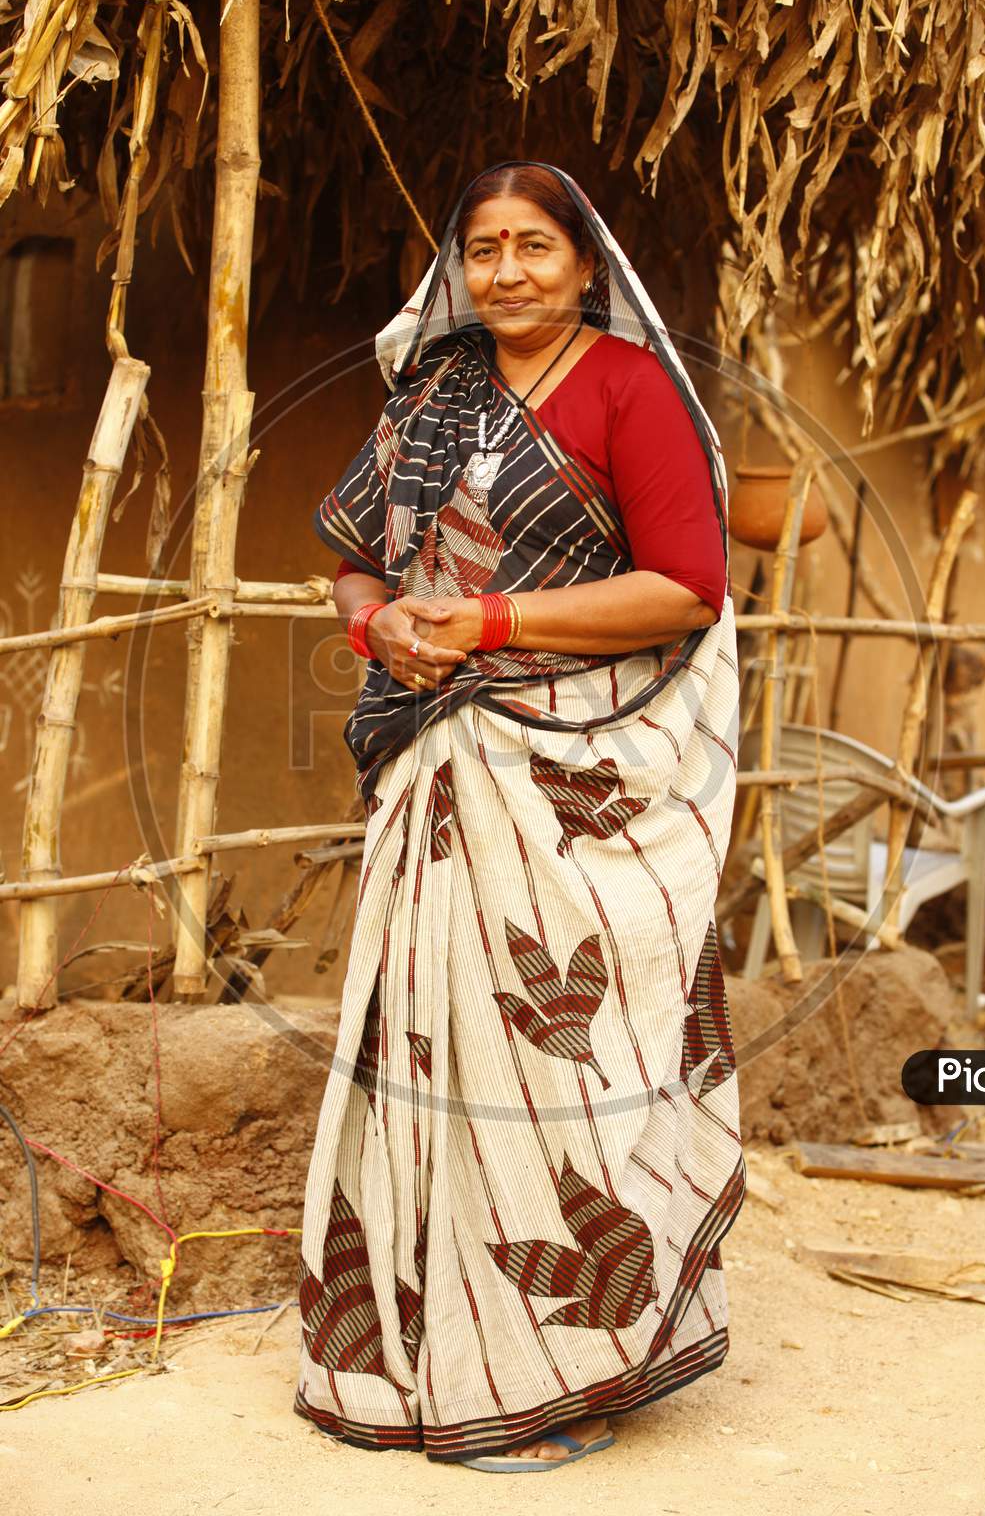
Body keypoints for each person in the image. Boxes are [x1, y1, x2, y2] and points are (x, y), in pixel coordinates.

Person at [294, 160, 744, 1472]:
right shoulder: (433, 394)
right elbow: (350, 560)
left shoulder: (628, 387)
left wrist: (488, 620)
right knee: (430, 1066)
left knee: (566, 1068)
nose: (506, 271)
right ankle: (420, 1357)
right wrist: (379, 622)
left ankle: (568, 1361)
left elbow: (687, 586)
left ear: (586, 264)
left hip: (580, 776)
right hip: (437, 761)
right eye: (483, 248)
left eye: (533, 246)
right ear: (458, 269)